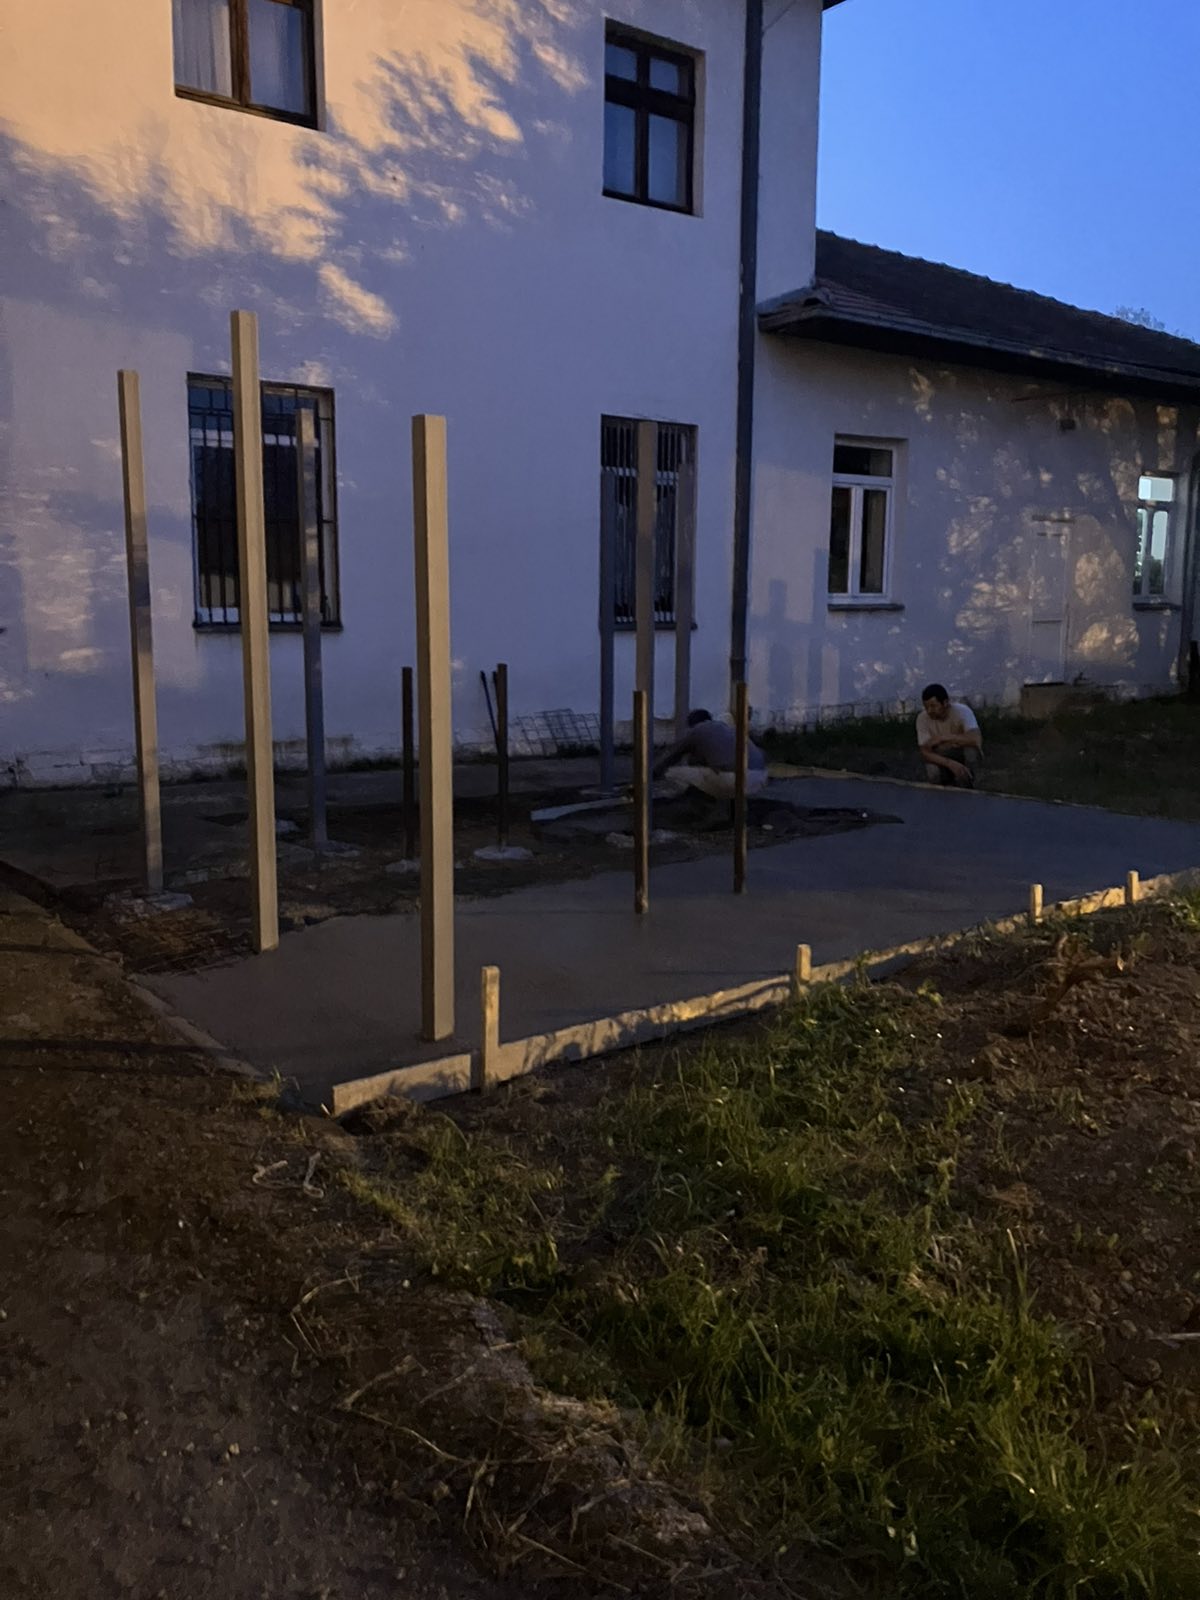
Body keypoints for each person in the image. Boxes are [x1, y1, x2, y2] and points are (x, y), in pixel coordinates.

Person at [653, 708, 768, 809]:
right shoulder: (728, 729)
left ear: (692, 724)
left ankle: (700, 804)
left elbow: (672, 756)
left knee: (671, 772)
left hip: (734, 781)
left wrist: (653, 774)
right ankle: (732, 805)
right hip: (760, 777)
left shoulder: (697, 730)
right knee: (708, 769)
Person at [916, 683, 982, 787]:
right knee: (932, 771)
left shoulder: (962, 711)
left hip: (960, 752)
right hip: (941, 756)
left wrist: (943, 738)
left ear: (945, 703)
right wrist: (950, 764)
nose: (929, 711)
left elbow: (975, 739)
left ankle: (970, 784)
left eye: (933, 706)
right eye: (926, 707)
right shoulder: (922, 719)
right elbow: (925, 751)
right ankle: (942, 790)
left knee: (971, 752)